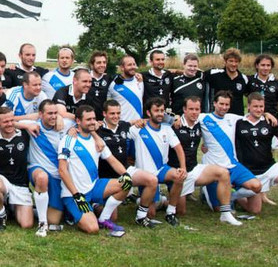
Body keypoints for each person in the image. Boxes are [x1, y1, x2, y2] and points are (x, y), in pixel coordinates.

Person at [169, 97, 242, 225]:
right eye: (191, 109)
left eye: (197, 109)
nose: (194, 112)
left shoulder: (200, 122)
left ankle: (225, 213)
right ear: (184, 110)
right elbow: (157, 118)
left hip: (194, 169)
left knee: (223, 173)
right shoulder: (174, 124)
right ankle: (165, 201)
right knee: (181, 212)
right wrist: (174, 117)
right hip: (178, 172)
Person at [58, 105, 131, 233]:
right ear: (78, 121)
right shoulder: (68, 140)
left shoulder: (98, 140)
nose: (92, 122)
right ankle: (73, 213)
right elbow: (62, 170)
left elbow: (112, 160)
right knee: (92, 229)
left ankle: (103, 219)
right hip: (74, 194)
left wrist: (125, 174)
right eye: (88, 119)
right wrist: (76, 195)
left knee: (127, 183)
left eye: (94, 119)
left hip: (94, 187)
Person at [16, 100, 76, 237]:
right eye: (50, 113)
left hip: (58, 176)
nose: (53, 116)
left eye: (55, 113)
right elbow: (5, 121)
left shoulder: (65, 125)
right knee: (42, 178)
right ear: (41, 114)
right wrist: (26, 125)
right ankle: (42, 224)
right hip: (37, 168)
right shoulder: (34, 126)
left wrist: (72, 126)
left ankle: (32, 209)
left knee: (54, 220)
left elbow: (84, 122)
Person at [197, 91, 264, 211]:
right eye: (221, 104)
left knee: (257, 186)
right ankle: (208, 191)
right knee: (218, 209)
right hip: (214, 169)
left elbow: (254, 116)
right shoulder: (203, 118)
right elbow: (185, 118)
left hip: (233, 165)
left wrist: (267, 115)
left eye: (227, 105)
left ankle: (232, 195)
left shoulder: (234, 119)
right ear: (214, 103)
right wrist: (177, 119)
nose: (224, 107)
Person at [128, 97, 187, 227]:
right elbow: (119, 129)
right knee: (151, 214)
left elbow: (179, 148)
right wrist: (134, 122)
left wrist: (183, 168)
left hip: (161, 169)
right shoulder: (137, 129)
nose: (160, 114)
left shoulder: (167, 129)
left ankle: (170, 212)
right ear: (149, 113)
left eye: (162, 111)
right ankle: (146, 201)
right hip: (145, 174)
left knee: (179, 176)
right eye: (156, 110)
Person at [0, 107, 34, 230]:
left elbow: (40, 118)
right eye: (5, 122)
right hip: (1, 179)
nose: (10, 124)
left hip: (20, 183)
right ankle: (1, 214)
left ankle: (11, 206)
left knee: (26, 224)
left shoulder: (24, 134)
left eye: (12, 120)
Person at [248, 55, 278, 138]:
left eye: (268, 65)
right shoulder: (249, 80)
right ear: (257, 65)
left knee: (272, 148)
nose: (265, 68)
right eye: (263, 65)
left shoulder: (277, 83)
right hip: (256, 120)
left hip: (274, 120)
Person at [204, 48, 249, 116]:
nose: (233, 64)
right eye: (231, 61)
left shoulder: (244, 79)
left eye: (236, 61)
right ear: (225, 61)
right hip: (218, 117)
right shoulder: (215, 74)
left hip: (237, 118)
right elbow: (197, 73)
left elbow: (250, 95)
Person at [108, 55, 145, 123]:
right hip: (123, 126)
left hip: (139, 125)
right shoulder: (113, 84)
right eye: (129, 65)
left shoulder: (139, 80)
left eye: (134, 64)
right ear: (122, 67)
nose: (133, 67)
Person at [87, 51, 114, 121]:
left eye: (104, 62)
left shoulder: (109, 79)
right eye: (99, 63)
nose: (102, 65)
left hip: (102, 121)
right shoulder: (85, 77)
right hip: (86, 119)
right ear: (92, 65)